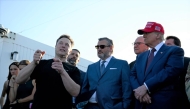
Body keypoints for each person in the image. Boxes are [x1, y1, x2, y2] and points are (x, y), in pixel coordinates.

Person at [130, 22, 187, 109]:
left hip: (162, 103)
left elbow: (170, 71)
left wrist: (146, 87)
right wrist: (139, 90)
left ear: (158, 35)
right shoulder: (141, 56)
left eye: (147, 33)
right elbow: (132, 75)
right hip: (140, 103)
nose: (144, 36)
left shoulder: (174, 51)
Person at [15, 35, 81, 109]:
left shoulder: (74, 70)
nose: (63, 46)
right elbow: (19, 80)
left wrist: (62, 72)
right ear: (55, 46)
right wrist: (34, 62)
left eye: (67, 45)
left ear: (70, 51)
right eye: (61, 43)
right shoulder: (42, 64)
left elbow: (76, 92)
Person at [80, 37, 132, 109]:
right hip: (91, 106)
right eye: (97, 47)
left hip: (113, 106)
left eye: (102, 46)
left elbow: (127, 87)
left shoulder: (122, 64)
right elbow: (85, 88)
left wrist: (125, 105)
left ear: (111, 48)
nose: (99, 49)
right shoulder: (91, 67)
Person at [165, 36, 190, 107]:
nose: (165, 47)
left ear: (178, 47)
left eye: (169, 44)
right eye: (164, 45)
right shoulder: (161, 64)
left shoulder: (187, 62)